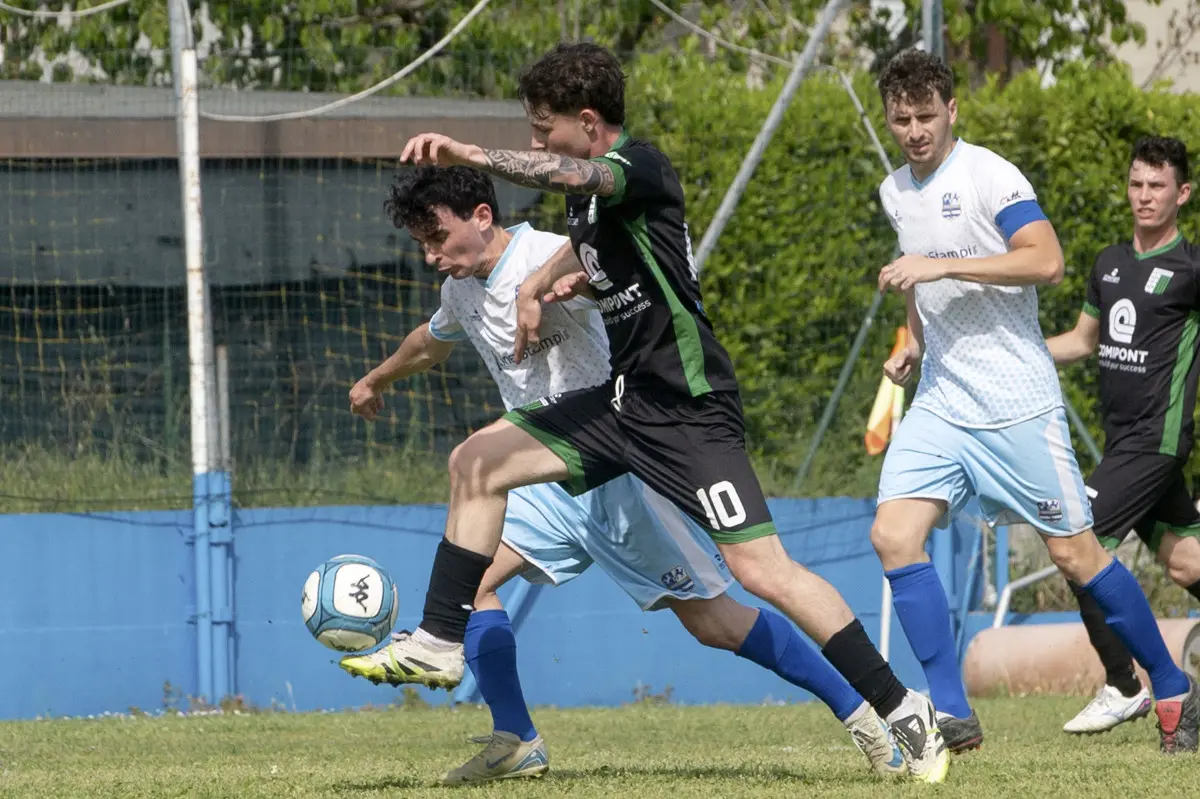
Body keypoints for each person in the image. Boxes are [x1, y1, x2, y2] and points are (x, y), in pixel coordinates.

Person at [342, 42, 951, 783]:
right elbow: (586, 239)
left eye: (545, 129)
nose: (539, 143)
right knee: (475, 461)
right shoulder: (580, 208)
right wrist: (546, 283)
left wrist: (475, 153)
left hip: (689, 407)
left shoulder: (639, 167)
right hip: (623, 404)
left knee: (762, 573)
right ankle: (443, 641)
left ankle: (896, 705)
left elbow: (577, 175)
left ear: (589, 123)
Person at [870, 48, 1199, 756]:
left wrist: (939, 264)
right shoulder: (895, 190)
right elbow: (929, 291)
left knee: (1079, 555)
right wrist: (916, 343)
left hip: (1017, 401)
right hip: (942, 402)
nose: (916, 130)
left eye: (928, 115)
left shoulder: (991, 175)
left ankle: (1170, 684)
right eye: (903, 119)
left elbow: (1044, 259)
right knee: (893, 536)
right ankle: (951, 712)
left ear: (953, 109)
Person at [1045, 135, 1200, 736]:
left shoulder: (1191, 268)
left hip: (1155, 445)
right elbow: (1082, 341)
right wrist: (1015, 353)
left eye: (1157, 186)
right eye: (1136, 183)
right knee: (1187, 565)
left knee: (1075, 541)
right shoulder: (1109, 261)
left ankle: (1123, 682)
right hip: (1124, 447)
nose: (1144, 196)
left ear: (1182, 194)